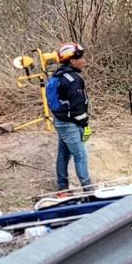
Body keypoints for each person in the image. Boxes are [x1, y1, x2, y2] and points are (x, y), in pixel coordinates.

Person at [49, 42, 93, 192]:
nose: (84, 60)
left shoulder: (58, 75)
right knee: (81, 155)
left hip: (60, 120)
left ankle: (63, 188)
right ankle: (89, 190)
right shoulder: (73, 80)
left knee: (63, 154)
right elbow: (77, 107)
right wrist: (85, 124)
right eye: (80, 58)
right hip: (69, 124)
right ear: (72, 61)